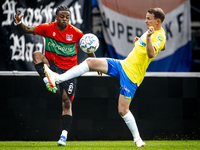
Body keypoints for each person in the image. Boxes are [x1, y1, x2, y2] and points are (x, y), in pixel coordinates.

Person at [44, 7, 166, 147]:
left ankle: (138, 140)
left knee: (122, 110)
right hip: (123, 65)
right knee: (90, 62)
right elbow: (163, 47)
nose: (145, 20)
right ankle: (57, 78)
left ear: (157, 21)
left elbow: (152, 53)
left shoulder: (157, 35)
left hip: (132, 74)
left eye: (148, 19)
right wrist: (140, 44)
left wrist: (149, 39)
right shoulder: (154, 32)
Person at [14, 5, 99, 146]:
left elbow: (88, 48)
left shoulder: (76, 33)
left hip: (69, 71)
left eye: (67, 17)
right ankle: (48, 81)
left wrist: (97, 65)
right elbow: (27, 29)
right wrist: (19, 23)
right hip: (52, 66)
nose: (65, 19)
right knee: (36, 54)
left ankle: (63, 136)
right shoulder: (48, 28)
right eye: (62, 16)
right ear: (56, 17)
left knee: (66, 102)